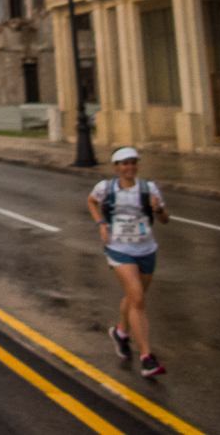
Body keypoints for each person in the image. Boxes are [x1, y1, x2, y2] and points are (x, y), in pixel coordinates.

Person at [86, 147, 169, 378]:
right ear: (116, 167)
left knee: (135, 297)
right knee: (138, 298)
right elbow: (91, 201)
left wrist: (158, 208)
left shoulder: (148, 188)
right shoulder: (106, 188)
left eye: (133, 162)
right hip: (118, 248)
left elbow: (165, 219)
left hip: (146, 247)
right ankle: (147, 358)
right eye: (124, 163)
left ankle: (121, 333)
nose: (129, 167)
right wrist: (101, 224)